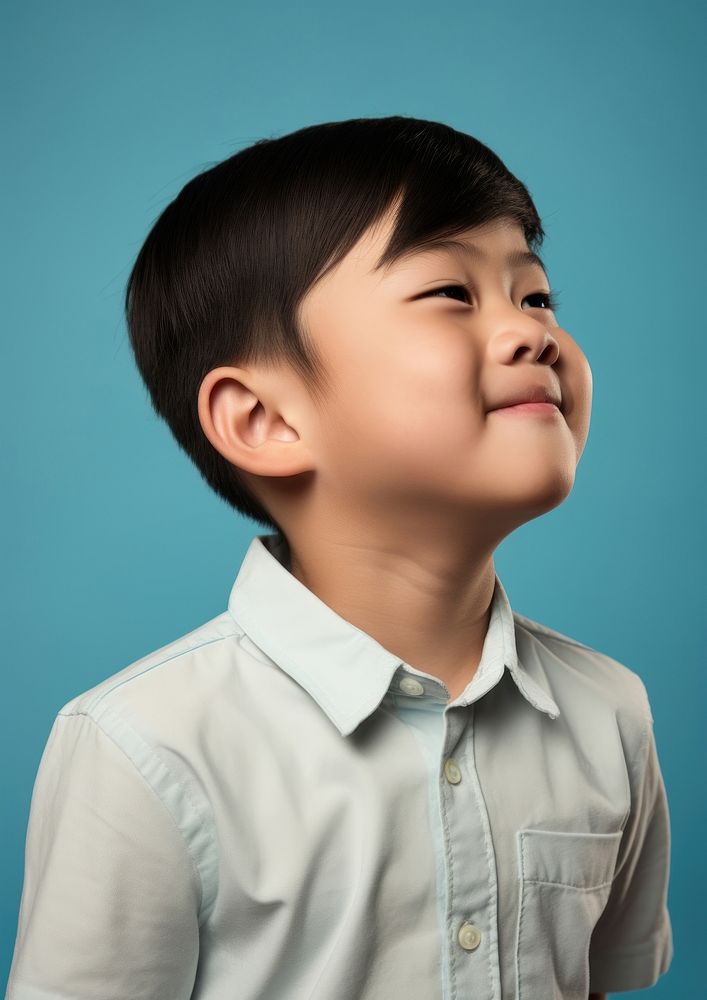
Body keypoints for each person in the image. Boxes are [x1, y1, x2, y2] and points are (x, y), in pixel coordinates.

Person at [6, 115, 673, 999]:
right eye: (450, 292)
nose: (533, 334)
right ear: (265, 421)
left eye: (535, 295)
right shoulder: (147, 749)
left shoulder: (608, 712)